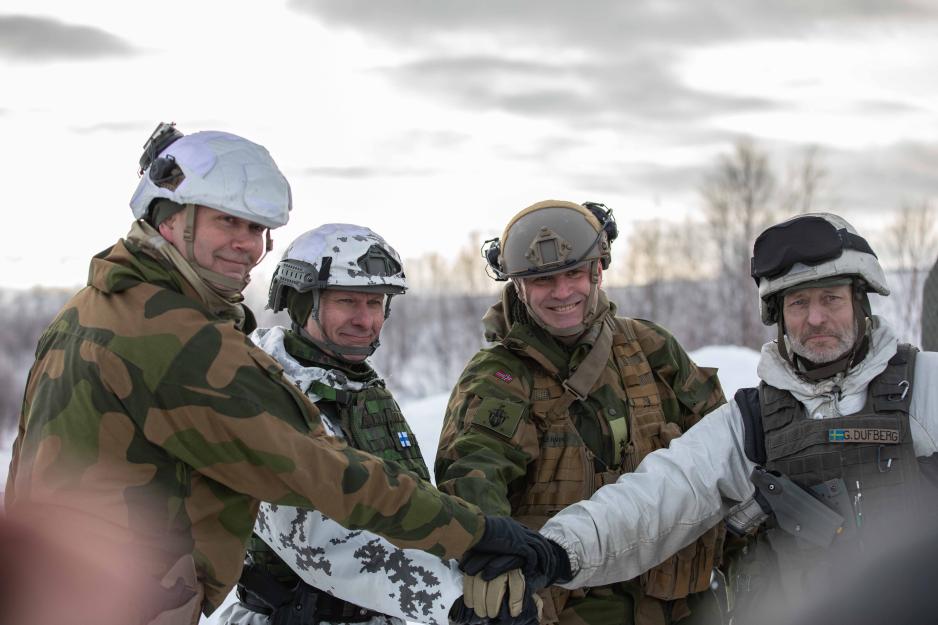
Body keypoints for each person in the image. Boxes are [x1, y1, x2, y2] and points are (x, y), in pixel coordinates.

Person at [3, 123, 539, 625]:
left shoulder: (97, 305)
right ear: (168, 218)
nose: (247, 244)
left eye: (257, 228)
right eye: (226, 221)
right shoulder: (177, 338)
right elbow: (318, 477)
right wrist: (473, 545)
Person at [463, 212, 938, 624]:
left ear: (860, 301)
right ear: (778, 315)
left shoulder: (926, 387)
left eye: (830, 299)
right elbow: (658, 496)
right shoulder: (752, 422)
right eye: (798, 303)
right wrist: (556, 550)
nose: (815, 319)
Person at [437, 200, 727, 625]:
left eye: (574, 273)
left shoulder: (649, 348)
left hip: (680, 603)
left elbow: (720, 448)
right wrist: (491, 557)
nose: (562, 292)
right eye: (542, 280)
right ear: (517, 286)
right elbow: (474, 475)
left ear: (598, 270)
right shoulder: (500, 376)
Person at [221, 224, 463, 625]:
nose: (365, 319)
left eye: (375, 302)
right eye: (347, 301)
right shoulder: (264, 393)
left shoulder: (358, 385)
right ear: (302, 303)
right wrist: (457, 600)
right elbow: (320, 544)